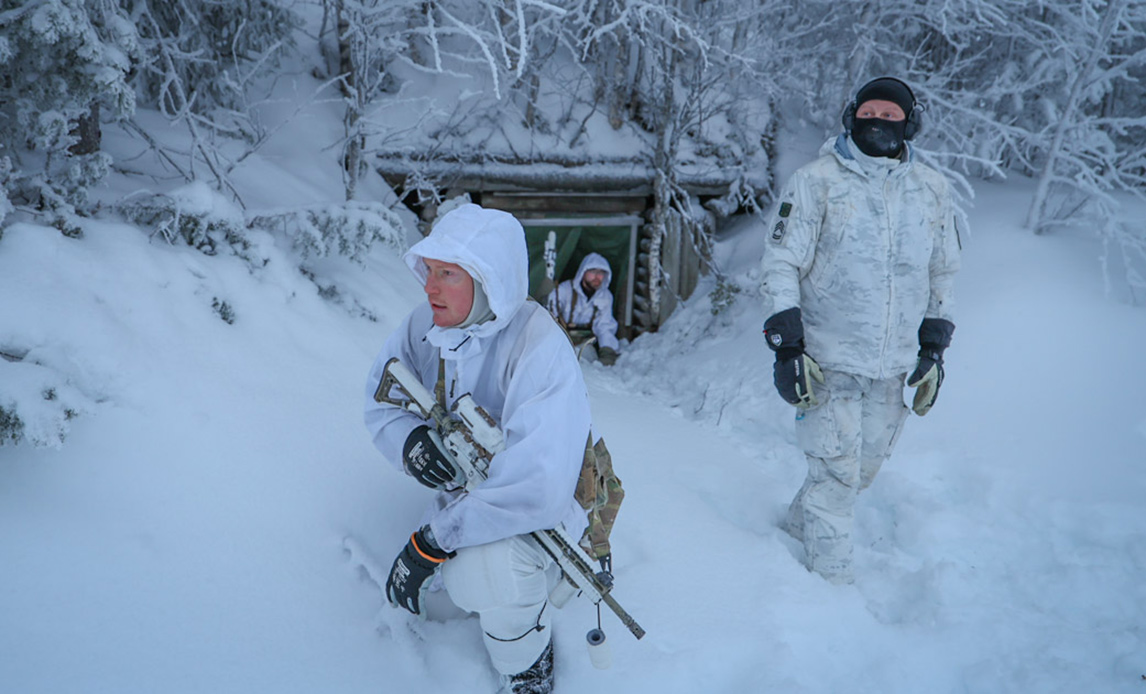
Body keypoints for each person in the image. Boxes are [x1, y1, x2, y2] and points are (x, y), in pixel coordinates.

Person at [363, 203, 593, 693]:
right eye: (429, 270)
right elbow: (381, 396)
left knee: (491, 573)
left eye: (448, 273)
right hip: (465, 502)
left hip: (548, 515)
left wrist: (433, 541)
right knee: (437, 602)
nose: (430, 286)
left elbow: (535, 489)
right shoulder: (426, 324)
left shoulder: (539, 348)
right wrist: (412, 444)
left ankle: (529, 667)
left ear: (489, 279)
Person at [760, 76, 962, 585]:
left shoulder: (933, 191)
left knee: (859, 472)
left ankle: (793, 530)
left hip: (893, 365)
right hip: (826, 360)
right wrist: (788, 347)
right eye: (871, 112)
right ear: (852, 117)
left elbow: (943, 272)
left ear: (910, 124)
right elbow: (781, 263)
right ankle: (831, 595)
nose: (880, 123)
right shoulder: (815, 182)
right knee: (834, 475)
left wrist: (933, 350)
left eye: (892, 116)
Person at [546, 252, 621, 365]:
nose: (597, 277)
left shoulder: (605, 296)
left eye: (601, 273)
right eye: (593, 272)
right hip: (561, 343)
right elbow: (549, 318)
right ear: (583, 272)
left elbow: (604, 326)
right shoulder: (563, 290)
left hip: (585, 346)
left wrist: (608, 351)